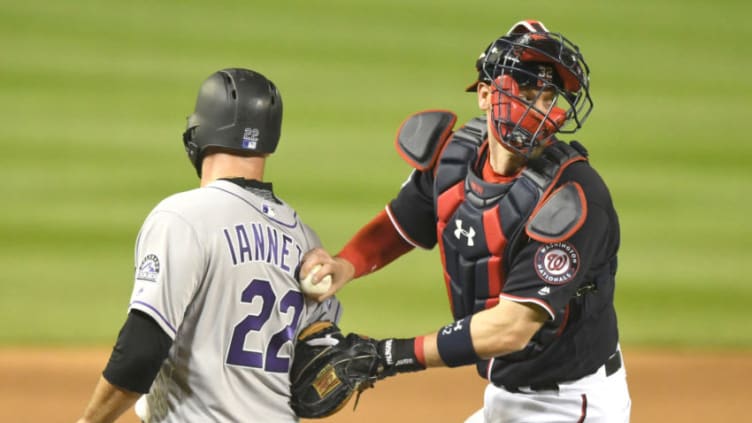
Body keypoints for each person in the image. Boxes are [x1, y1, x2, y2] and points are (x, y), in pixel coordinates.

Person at [301, 20, 631, 422]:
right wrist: (345, 263)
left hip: (567, 405)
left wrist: (389, 356)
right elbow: (402, 222)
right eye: (526, 93)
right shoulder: (458, 159)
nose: (539, 111)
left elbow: (511, 329)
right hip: (508, 395)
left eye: (548, 97)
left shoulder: (573, 197)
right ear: (487, 95)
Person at [75, 68, 342, 423]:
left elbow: (141, 351)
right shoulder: (307, 244)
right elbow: (323, 368)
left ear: (198, 132)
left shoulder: (183, 217)